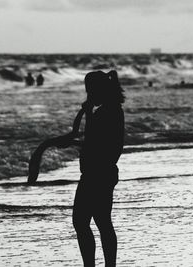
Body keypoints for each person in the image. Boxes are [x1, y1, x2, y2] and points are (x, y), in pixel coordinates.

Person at [71, 70, 125, 267]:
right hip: (103, 172)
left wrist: (87, 113)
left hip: (97, 174)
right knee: (101, 221)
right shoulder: (111, 109)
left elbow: (94, 138)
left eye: (90, 90)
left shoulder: (108, 111)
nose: (88, 95)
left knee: (82, 221)